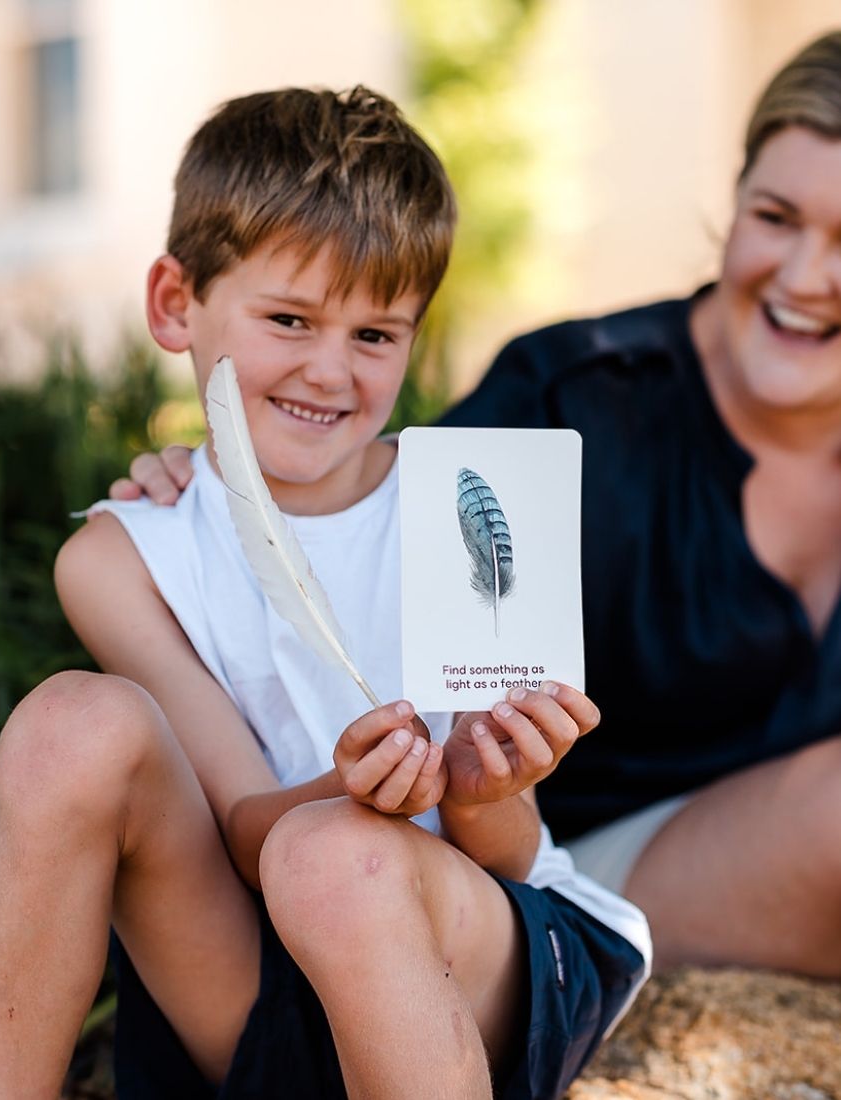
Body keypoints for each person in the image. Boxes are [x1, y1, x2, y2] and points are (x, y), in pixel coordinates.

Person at [119, 30, 841, 979]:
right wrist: (215, 476)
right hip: (555, 862)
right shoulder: (571, 398)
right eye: (777, 216)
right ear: (736, 199)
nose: (803, 277)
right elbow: (342, 489)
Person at [0, 87, 650, 1100]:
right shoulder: (124, 560)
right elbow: (249, 830)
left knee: (338, 859)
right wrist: (348, 784)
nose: (330, 370)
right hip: (254, 981)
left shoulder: (468, 507)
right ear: (177, 304)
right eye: (289, 318)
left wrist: (481, 786)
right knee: (73, 726)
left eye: (376, 335)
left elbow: (510, 858)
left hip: (471, 960)